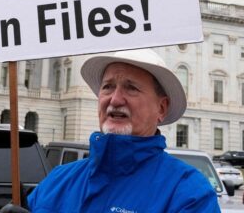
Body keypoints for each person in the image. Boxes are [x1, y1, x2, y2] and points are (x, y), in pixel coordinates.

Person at [25, 49, 219, 212]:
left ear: (161, 108)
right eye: (108, 87)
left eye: (131, 88)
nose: (115, 99)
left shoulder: (189, 193)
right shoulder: (57, 181)